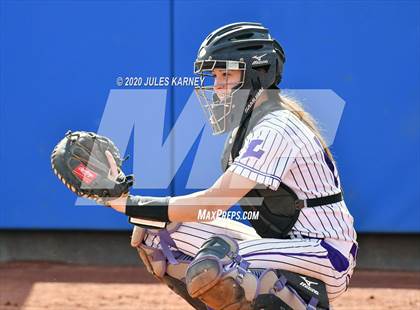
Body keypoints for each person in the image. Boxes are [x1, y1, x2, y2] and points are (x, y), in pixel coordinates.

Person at [107, 22, 357, 310]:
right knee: (157, 232)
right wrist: (124, 202)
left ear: (258, 73)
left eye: (226, 74)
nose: (217, 86)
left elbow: (212, 203)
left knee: (221, 262)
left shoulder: (277, 126)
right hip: (281, 246)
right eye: (215, 76)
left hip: (325, 254)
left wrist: (126, 203)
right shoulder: (251, 126)